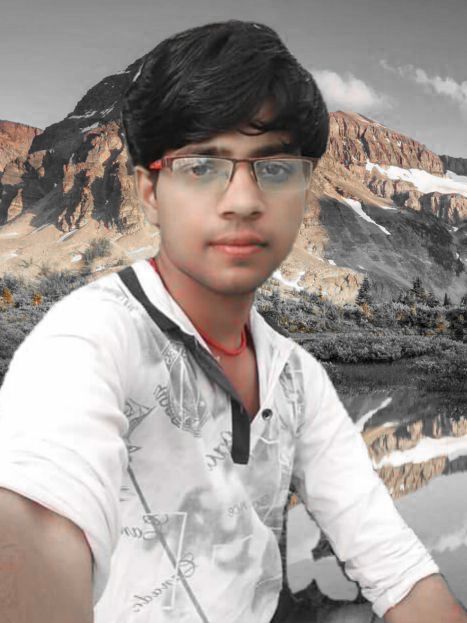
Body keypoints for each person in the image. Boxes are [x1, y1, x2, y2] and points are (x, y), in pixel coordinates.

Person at [0, 19, 465, 623]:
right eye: (202, 167)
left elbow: (397, 570)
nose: (243, 201)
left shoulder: (297, 376)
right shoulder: (85, 343)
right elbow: (32, 532)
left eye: (274, 169)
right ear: (149, 191)